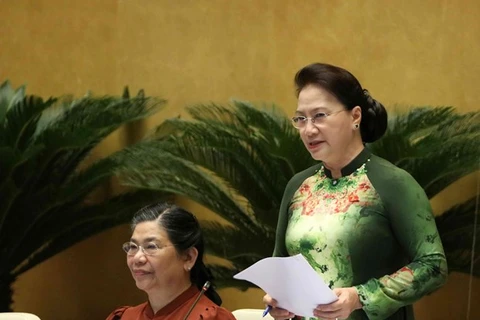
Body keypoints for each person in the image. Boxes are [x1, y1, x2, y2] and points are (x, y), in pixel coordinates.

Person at [263, 63, 448, 320]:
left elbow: (433, 265)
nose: (308, 129)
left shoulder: (393, 183)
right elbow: (280, 262)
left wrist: (362, 297)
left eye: (319, 116)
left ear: (355, 116)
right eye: (300, 119)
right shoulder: (298, 186)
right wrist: (279, 300)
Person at [106, 203, 236, 320]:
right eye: (133, 247)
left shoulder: (212, 318)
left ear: (188, 257)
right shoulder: (123, 317)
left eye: (151, 246)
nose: (137, 258)